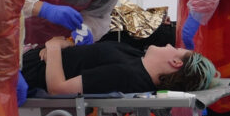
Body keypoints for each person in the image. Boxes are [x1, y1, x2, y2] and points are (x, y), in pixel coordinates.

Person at [21, 37, 217, 97]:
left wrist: (54, 47)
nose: (168, 44)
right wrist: (66, 44)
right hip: (29, 58)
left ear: (176, 63)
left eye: (175, 48)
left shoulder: (125, 74)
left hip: (23, 72)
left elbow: (58, 89)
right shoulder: (137, 59)